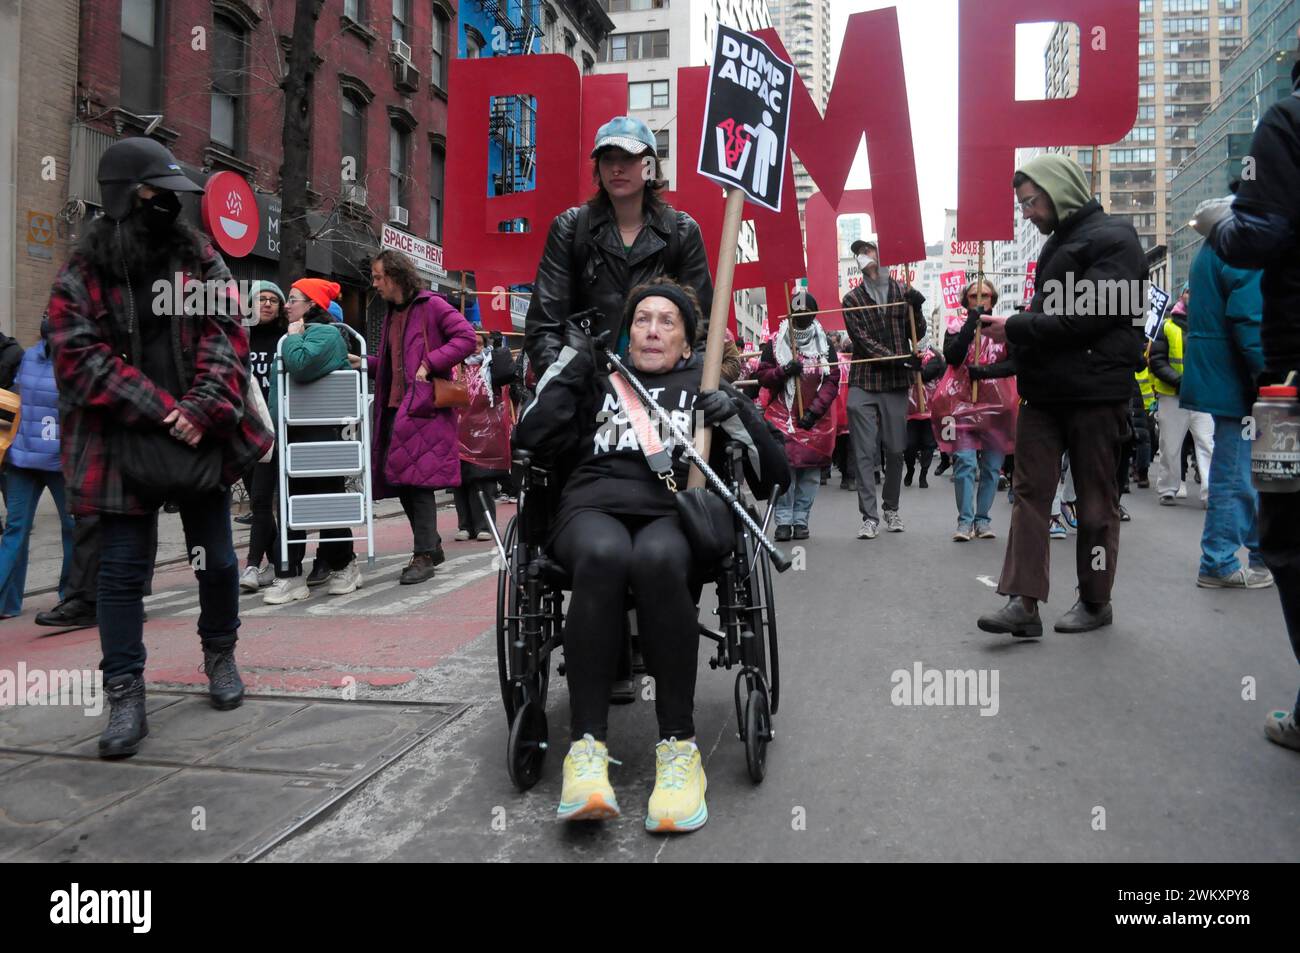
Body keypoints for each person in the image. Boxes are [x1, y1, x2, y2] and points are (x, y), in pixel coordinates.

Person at [514, 281, 788, 831]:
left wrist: (734, 413)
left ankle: (679, 751)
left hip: (673, 516)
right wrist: (573, 358)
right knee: (605, 552)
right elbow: (530, 435)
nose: (653, 329)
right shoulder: (595, 377)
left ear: (687, 344)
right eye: (643, 319)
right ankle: (586, 753)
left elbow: (774, 474)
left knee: (657, 559)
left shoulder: (706, 386)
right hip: (590, 508)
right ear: (628, 331)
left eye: (668, 321)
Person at [46, 137, 273, 758]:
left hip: (200, 438)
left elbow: (228, 334)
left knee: (219, 561)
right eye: (156, 195)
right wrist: (161, 408)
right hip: (121, 444)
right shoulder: (81, 272)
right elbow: (76, 356)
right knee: (119, 575)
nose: (169, 206)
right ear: (124, 197)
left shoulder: (198, 257)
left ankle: (220, 656)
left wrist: (199, 408)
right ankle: (124, 693)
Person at [976, 153, 1146, 638]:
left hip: (1095, 394)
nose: (1026, 212)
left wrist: (1015, 325)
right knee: (1030, 496)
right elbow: (1059, 322)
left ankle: (1095, 601)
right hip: (1045, 394)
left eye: (1031, 201)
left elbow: (1085, 319)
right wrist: (1014, 337)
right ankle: (1023, 603)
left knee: (1095, 501)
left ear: (1061, 189)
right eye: (1022, 204)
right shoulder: (1059, 246)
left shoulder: (1117, 238)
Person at [1193, 27, 1300, 750]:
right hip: (1250, 385)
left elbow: (1259, 237)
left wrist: (1227, 220)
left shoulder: (1287, 121)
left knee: (1284, 527)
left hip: (1283, 387)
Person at [524, 115, 713, 376]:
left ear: (649, 166)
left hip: (660, 394)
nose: (616, 168)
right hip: (585, 391)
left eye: (627, 158)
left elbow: (701, 328)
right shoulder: (569, 228)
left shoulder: (682, 232)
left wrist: (691, 388)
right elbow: (544, 325)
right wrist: (564, 387)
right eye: (608, 159)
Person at [364, 249, 477, 584]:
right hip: (395, 408)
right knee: (398, 479)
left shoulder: (433, 305)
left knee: (418, 483)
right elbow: (391, 366)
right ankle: (432, 546)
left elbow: (467, 338)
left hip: (423, 408)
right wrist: (363, 363)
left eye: (378, 276)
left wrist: (431, 362)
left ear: (396, 275)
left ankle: (424, 554)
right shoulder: (390, 314)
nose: (375, 284)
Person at [262, 279, 363, 604]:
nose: (286, 304)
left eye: (293, 299)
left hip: (317, 435)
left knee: (325, 503)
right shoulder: (303, 334)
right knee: (292, 506)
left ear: (312, 305)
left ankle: (344, 565)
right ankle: (289, 574)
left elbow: (301, 366)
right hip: (294, 433)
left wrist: (292, 335)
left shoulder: (326, 334)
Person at [1179, 241, 1272, 589]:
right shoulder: (1243, 242)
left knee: (1252, 472)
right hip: (1241, 382)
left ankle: (1261, 555)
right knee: (1239, 473)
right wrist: (1269, 378)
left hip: (1231, 378)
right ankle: (1219, 560)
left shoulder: (1222, 238)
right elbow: (1251, 319)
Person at [840, 239, 927, 538]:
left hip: (895, 383)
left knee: (896, 450)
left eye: (867, 250)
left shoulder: (902, 291)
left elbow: (918, 332)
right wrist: (900, 360)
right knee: (864, 451)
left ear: (882, 255)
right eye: (858, 253)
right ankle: (869, 517)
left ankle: (891, 508)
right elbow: (862, 341)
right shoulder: (851, 299)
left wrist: (916, 306)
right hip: (864, 379)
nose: (863, 256)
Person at [0, 317, 73, 618]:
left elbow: (11, 402)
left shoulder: (26, 357)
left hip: (22, 460)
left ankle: (6, 603)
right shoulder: (73, 367)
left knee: (16, 530)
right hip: (59, 462)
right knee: (74, 529)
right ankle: (70, 595)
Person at [935, 280, 1019, 541]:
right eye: (974, 295)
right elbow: (952, 357)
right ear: (966, 300)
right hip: (962, 407)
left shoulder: (1005, 329)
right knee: (965, 463)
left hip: (996, 409)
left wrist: (984, 372)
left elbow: (1015, 363)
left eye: (985, 295)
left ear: (993, 299)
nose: (980, 299)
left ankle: (983, 520)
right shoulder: (956, 327)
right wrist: (970, 325)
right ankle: (964, 521)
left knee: (993, 467)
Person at [756, 290, 837, 540]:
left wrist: (814, 413)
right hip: (781, 417)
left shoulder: (825, 344)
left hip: (815, 421)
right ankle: (783, 520)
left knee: (810, 473)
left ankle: (801, 519)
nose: (801, 317)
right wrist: (783, 371)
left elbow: (832, 379)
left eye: (806, 313)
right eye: (797, 313)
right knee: (784, 470)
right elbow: (763, 375)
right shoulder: (775, 341)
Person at [238, 281, 287, 591]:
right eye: (261, 299)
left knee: (260, 500)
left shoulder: (284, 341)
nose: (267, 304)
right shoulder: (238, 339)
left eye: (273, 300)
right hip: (242, 431)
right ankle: (280, 562)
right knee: (259, 503)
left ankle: (252, 567)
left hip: (273, 431)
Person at [1150, 297, 1215, 507]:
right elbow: (1156, 360)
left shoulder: (1210, 323)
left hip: (1202, 395)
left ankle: (1210, 492)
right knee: (1170, 445)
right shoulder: (1167, 327)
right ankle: (1168, 488)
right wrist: (1179, 381)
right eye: (1188, 291)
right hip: (1172, 396)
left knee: (1207, 443)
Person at [453, 331, 515, 541]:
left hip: (486, 433)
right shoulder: (456, 366)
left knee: (483, 480)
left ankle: (484, 526)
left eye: (479, 344)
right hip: (459, 432)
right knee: (460, 481)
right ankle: (465, 525)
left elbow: (506, 373)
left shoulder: (491, 365)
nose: (475, 348)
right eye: (472, 344)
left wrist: (498, 348)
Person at [903, 338, 946, 488]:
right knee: (909, 445)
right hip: (911, 410)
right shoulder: (905, 355)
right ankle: (910, 469)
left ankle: (924, 474)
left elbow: (927, 374)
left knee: (928, 444)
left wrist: (916, 367)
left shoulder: (933, 357)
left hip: (929, 409)